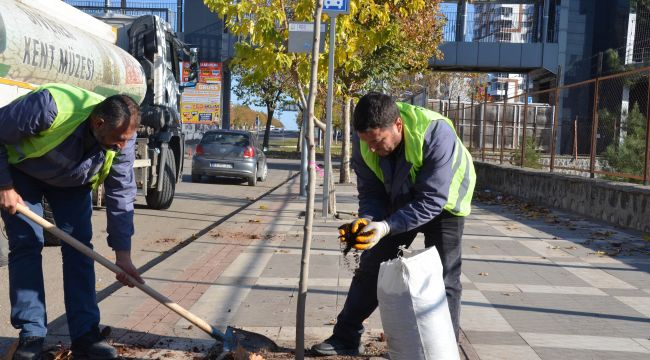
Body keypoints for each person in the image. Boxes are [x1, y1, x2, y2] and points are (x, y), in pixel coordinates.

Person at [312, 92, 476, 356]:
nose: (373, 149)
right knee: (372, 267)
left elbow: (432, 200)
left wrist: (386, 227)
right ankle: (345, 337)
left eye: (379, 142)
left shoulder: (435, 132)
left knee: (445, 277)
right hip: (400, 197)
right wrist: (369, 221)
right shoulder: (364, 139)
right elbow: (371, 193)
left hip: (446, 203)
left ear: (397, 126)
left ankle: (444, 351)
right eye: (369, 143)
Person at [0, 83, 145, 360]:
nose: (123, 146)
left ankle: (85, 336)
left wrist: (123, 256)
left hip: (73, 184)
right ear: (98, 122)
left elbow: (121, 195)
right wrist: (4, 185)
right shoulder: (49, 107)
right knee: (27, 244)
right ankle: (31, 336)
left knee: (80, 249)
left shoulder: (122, 137)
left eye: (128, 139)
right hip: (23, 175)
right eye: (119, 139)